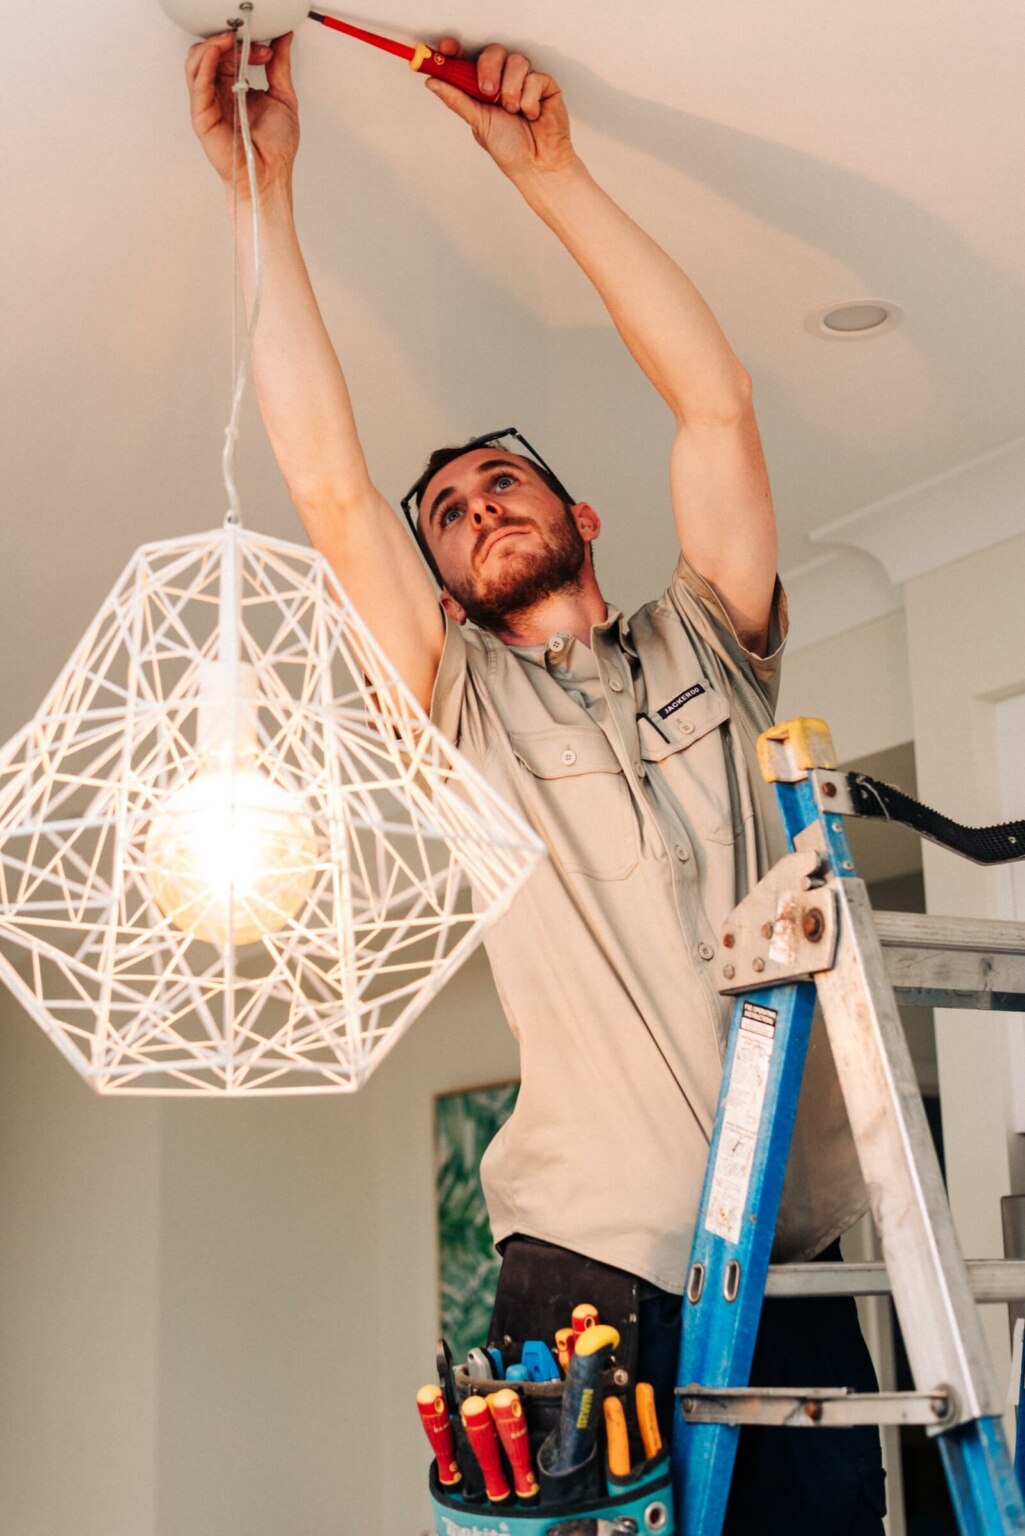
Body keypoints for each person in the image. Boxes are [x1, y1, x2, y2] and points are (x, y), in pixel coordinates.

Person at [186, 31, 886, 1531]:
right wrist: (264, 191)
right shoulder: (461, 710)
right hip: (593, 1263)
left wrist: (549, 174)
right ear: (439, 589)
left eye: (499, 480)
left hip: (803, 1250)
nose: (473, 504)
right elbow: (322, 482)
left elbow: (715, 405)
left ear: (572, 512)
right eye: (443, 511)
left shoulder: (712, 638)